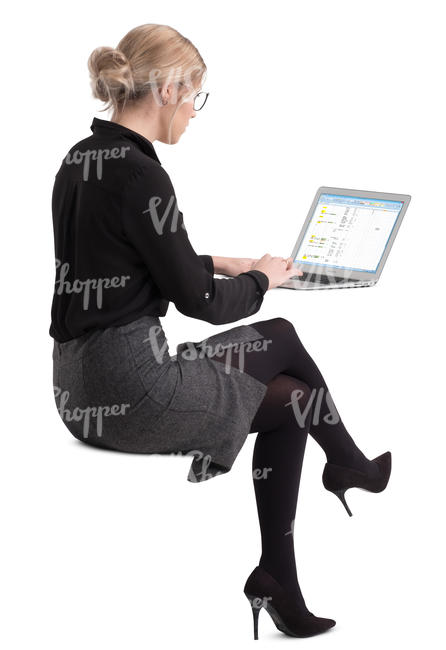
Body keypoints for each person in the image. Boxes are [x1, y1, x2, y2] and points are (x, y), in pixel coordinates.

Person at [50, 23, 392, 640]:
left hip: (77, 384)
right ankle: (347, 465)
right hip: (132, 386)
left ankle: (279, 578)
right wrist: (260, 279)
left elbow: (123, 262)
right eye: (196, 97)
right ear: (170, 88)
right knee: (281, 333)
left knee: (290, 402)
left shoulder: (82, 159)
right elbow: (201, 304)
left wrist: (219, 261)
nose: (193, 113)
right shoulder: (144, 175)